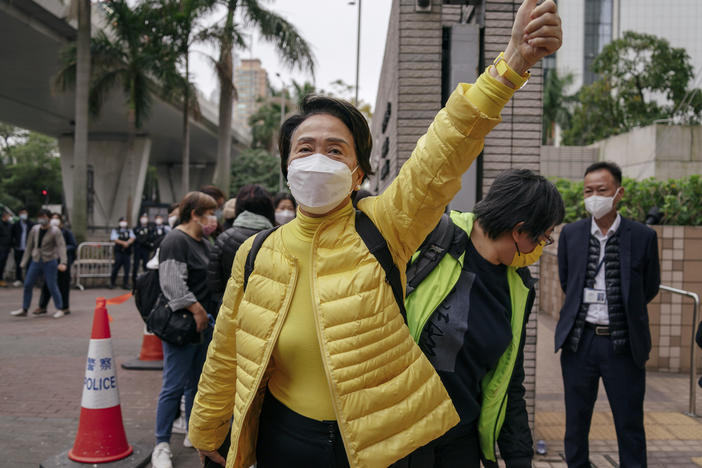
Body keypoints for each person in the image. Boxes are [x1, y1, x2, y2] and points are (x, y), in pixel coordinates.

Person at [188, 2, 562, 467]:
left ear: (358, 170)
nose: (317, 158)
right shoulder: (256, 251)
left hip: (372, 449)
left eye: (335, 149)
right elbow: (226, 350)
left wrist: (510, 67)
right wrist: (206, 426)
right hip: (283, 441)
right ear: (287, 165)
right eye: (305, 148)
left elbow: (444, 150)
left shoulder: (386, 226)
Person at [395, 170, 564, 468]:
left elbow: (510, 381)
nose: (541, 247)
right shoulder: (432, 238)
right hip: (399, 435)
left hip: (460, 440)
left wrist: (519, 457)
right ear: (520, 231)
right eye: (543, 238)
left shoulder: (518, 287)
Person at [555, 161, 660, 468]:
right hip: (580, 342)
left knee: (629, 425)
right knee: (575, 424)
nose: (594, 196)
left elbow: (649, 287)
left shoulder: (643, 236)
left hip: (623, 345)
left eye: (602, 190)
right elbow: (567, 282)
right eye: (588, 190)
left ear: (619, 193)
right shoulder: (571, 235)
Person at [150, 191, 219, 468]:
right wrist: (198, 310)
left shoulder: (203, 241)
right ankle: (161, 444)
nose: (214, 218)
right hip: (183, 326)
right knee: (174, 385)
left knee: (196, 383)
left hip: (202, 327)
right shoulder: (176, 240)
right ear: (195, 214)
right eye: (211, 212)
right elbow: (172, 284)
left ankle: (193, 431)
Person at [207, 185, 275, 298]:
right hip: (266, 310)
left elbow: (214, 282)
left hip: (230, 308)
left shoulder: (224, 238)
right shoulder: (276, 238)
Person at [10, 209, 68, 318]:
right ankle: (24, 308)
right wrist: (24, 261)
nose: (42, 219)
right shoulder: (35, 229)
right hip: (36, 260)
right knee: (27, 284)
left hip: (50, 261)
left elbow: (61, 246)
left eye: (44, 216)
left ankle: (60, 308)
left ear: (49, 218)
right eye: (40, 216)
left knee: (52, 285)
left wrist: (63, 262)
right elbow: (29, 246)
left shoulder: (55, 231)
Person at [37, 213, 77, 318]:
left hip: (62, 262)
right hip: (50, 261)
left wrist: (61, 250)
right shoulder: (48, 232)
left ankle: (65, 307)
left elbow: (73, 245)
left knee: (63, 285)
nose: (55, 220)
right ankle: (42, 306)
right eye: (53, 218)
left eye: (57, 219)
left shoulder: (66, 232)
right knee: (47, 284)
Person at [110, 217, 135, 289]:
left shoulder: (129, 230)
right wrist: (123, 243)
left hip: (127, 252)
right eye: (122, 221)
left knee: (127, 269)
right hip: (119, 252)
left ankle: (125, 284)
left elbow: (133, 237)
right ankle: (112, 283)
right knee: (116, 268)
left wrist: (128, 243)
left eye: (125, 221)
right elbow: (114, 239)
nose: (124, 223)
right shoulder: (115, 230)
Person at [10, 208, 33, 286]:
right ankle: (18, 279)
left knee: (29, 264)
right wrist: (13, 244)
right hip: (18, 248)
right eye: (22, 213)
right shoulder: (15, 225)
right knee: (18, 264)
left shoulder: (31, 224)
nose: (23, 215)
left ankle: (28, 279)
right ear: (19, 214)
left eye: (25, 213)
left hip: (28, 249)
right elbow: (12, 235)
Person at [133, 214, 152, 286]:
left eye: (145, 218)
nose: (144, 219)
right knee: (136, 266)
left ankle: (146, 282)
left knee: (146, 266)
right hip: (137, 249)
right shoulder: (136, 228)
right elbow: (135, 238)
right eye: (142, 218)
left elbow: (151, 238)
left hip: (146, 249)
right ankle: (134, 282)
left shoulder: (150, 228)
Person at [0, 210, 12, 286]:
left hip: (6, 248)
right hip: (1, 247)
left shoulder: (9, 225)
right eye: (8, 216)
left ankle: (1, 279)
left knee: (2, 264)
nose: (9, 218)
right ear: (4, 216)